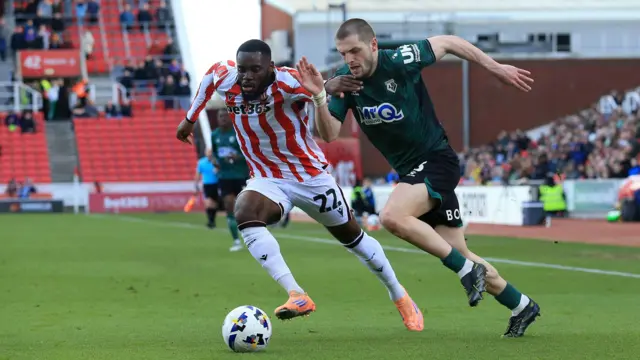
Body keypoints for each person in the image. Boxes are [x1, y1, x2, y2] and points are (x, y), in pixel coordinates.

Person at [295, 18, 540, 338]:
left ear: (373, 46)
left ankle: (467, 271)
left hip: (437, 160)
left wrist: (494, 67)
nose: (349, 59)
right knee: (459, 252)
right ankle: (521, 305)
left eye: (355, 50)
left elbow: (450, 41)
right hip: (414, 174)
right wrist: (319, 97)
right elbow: (328, 134)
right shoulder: (344, 82)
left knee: (392, 216)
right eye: (343, 54)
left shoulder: (400, 59)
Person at [176, 39, 424, 331]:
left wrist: (326, 86)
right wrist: (190, 119)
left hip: (310, 179)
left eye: (255, 70)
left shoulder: (287, 81)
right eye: (243, 69)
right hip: (267, 178)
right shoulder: (225, 76)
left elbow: (319, 87)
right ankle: (297, 294)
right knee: (245, 210)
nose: (247, 76)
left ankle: (399, 294)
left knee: (354, 240)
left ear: (270, 67)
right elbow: (208, 78)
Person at [211, 110, 249, 252]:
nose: (223, 119)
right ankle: (236, 240)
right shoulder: (214, 135)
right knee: (229, 206)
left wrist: (236, 157)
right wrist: (214, 161)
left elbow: (248, 153)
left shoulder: (238, 134)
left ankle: (253, 235)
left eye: (226, 116)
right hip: (224, 176)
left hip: (241, 175)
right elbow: (214, 153)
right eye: (220, 117)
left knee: (245, 209)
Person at [195, 148, 219, 229]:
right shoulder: (201, 162)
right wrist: (196, 184)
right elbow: (198, 173)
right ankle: (210, 221)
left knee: (214, 204)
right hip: (207, 184)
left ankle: (212, 220)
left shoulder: (216, 161)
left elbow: (221, 171)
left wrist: (218, 170)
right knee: (208, 202)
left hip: (216, 184)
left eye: (211, 152)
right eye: (208, 152)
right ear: (205, 153)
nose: (209, 154)